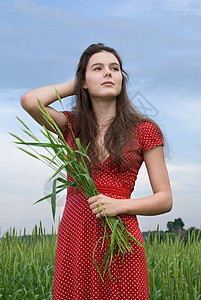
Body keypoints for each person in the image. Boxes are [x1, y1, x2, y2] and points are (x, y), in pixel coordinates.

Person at [21, 43, 172, 300]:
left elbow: (165, 199)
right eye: (98, 69)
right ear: (83, 81)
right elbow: (30, 101)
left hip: (120, 233)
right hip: (76, 233)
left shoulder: (144, 129)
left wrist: (119, 206)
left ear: (122, 81)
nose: (108, 74)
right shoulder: (71, 126)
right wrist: (79, 82)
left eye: (115, 69)